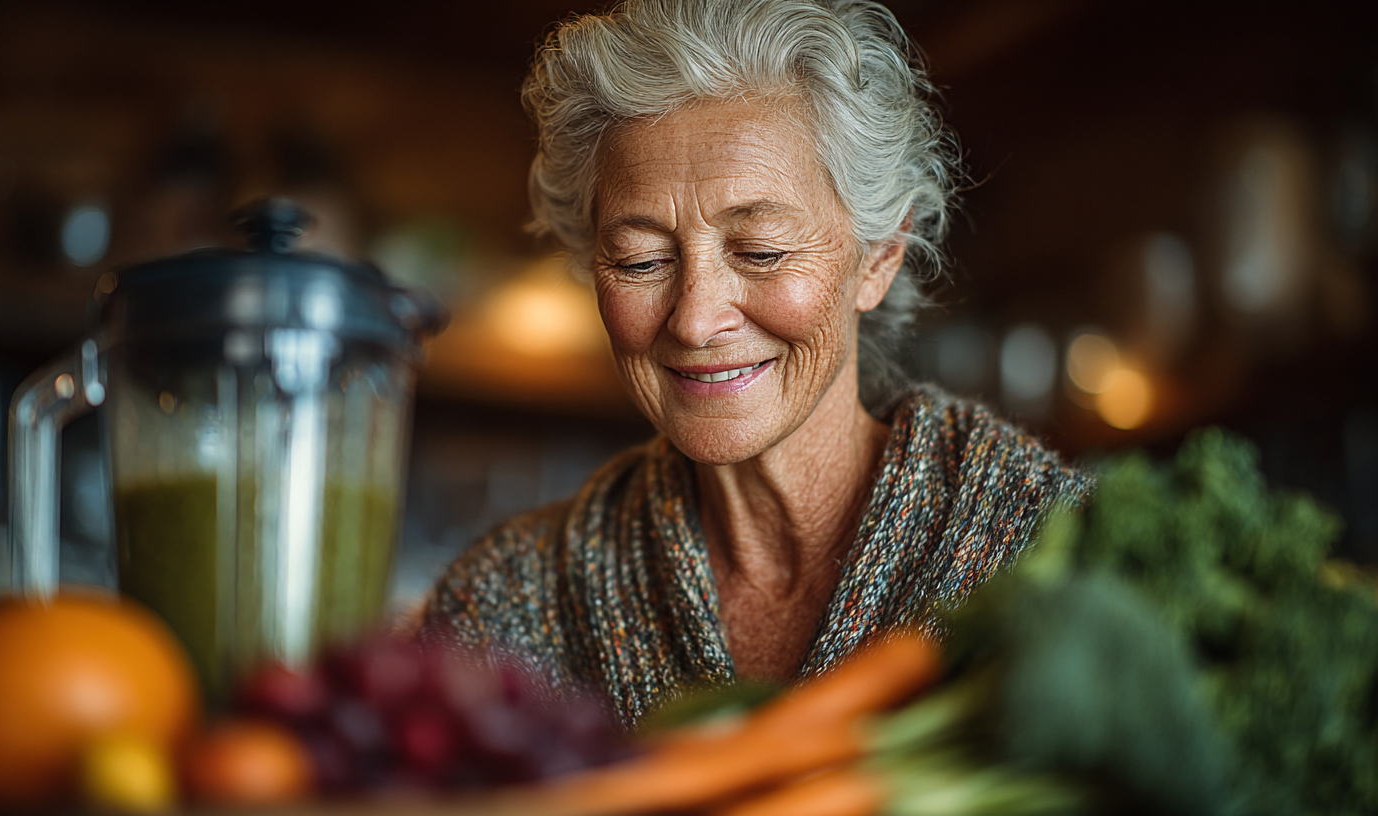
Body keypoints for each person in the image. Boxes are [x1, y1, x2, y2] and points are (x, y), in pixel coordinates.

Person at [417, 0, 1092, 727]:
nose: (696, 319)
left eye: (761, 251)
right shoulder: (503, 610)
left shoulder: (1060, 554)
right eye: (641, 260)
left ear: (879, 258)